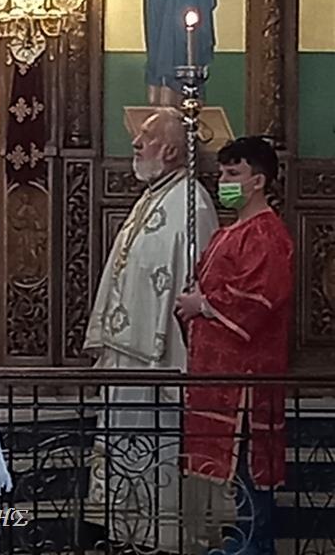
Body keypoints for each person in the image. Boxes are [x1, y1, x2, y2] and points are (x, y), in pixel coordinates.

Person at [83, 108, 218, 551]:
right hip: (128, 353)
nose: (136, 144)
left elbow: (196, 281)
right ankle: (123, 532)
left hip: (160, 359)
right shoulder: (152, 197)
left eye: (148, 137)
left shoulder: (193, 204)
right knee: (123, 447)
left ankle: (162, 537)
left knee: (155, 448)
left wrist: (181, 351)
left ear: (173, 150)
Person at [177, 137, 293, 555]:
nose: (223, 181)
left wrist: (203, 304)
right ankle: (241, 540)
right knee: (234, 469)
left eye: (233, 174)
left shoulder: (266, 233)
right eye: (222, 173)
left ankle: (255, 545)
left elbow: (257, 299)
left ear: (258, 181)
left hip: (246, 377)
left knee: (248, 464)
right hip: (218, 372)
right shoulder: (231, 231)